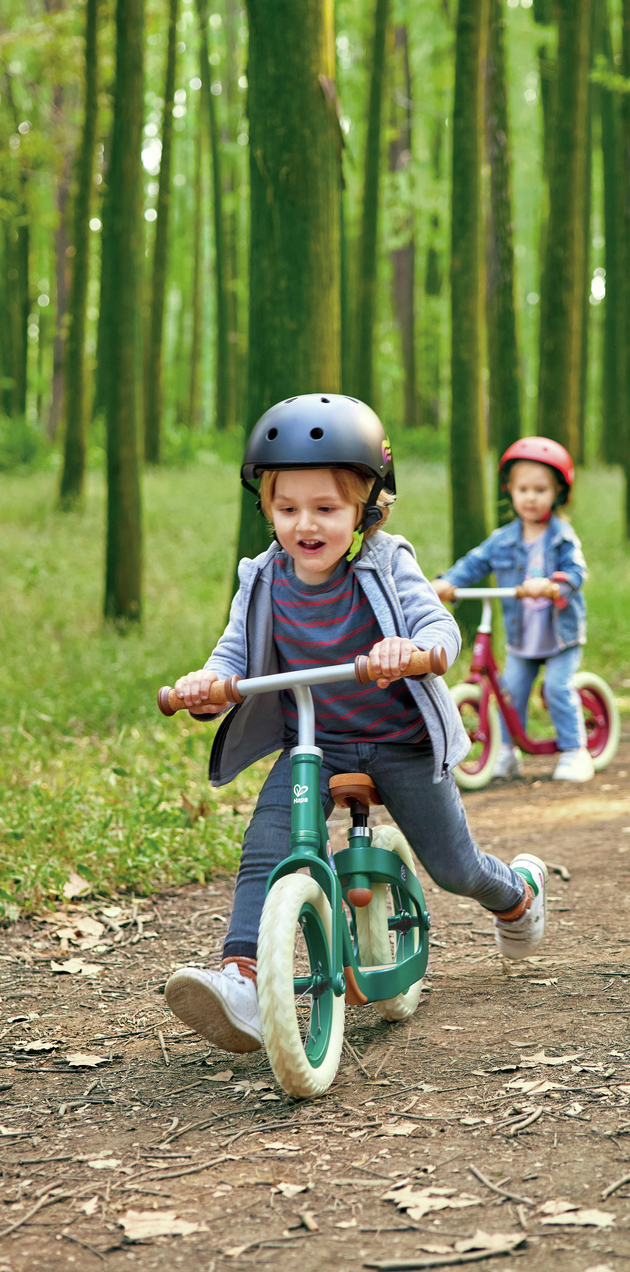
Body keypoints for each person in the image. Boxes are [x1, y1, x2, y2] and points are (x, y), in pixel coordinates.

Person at [163, 395, 547, 1054]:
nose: (304, 525)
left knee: (453, 867)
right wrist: (205, 685)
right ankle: (244, 981)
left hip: (399, 742)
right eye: (287, 509)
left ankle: (515, 894)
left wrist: (411, 651)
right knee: (266, 846)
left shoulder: (387, 561)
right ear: (266, 508)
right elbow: (232, 654)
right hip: (313, 741)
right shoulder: (262, 579)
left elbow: (437, 628)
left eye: (326, 509)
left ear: (368, 508)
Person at [433, 437, 591, 783]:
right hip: (524, 639)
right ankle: (505, 753)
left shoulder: (562, 536)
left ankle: (576, 751)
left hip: (559, 636)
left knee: (557, 689)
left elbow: (577, 572)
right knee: (510, 692)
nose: (530, 497)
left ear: (558, 493)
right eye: (523, 489)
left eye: (540, 489)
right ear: (510, 491)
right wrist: (447, 582)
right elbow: (476, 562)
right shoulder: (503, 539)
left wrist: (553, 584)